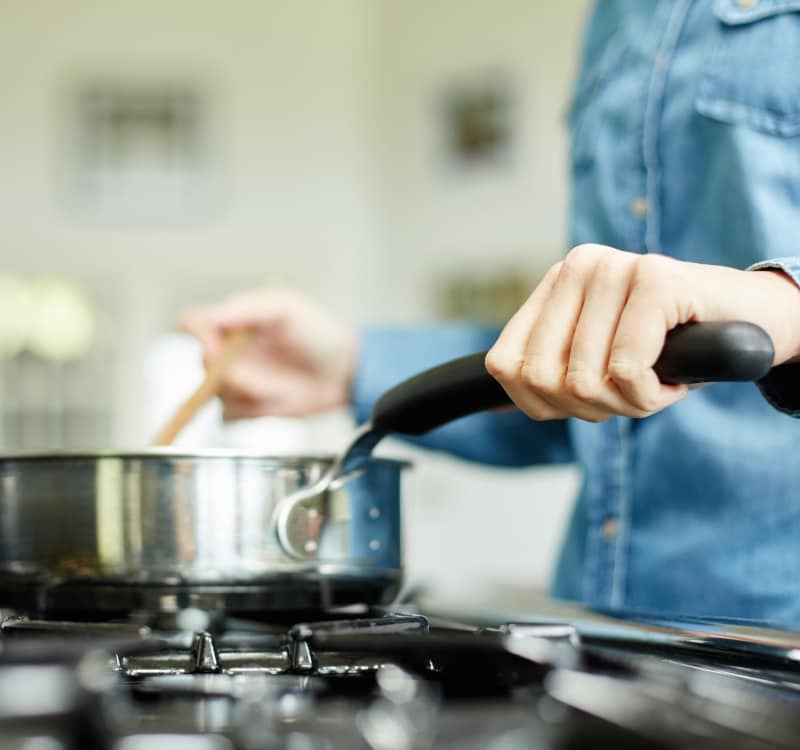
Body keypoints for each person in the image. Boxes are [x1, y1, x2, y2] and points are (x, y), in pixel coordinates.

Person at [181, 1, 800, 627]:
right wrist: (350, 365)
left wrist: (785, 306)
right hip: (600, 628)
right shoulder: (617, 17)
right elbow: (595, 385)